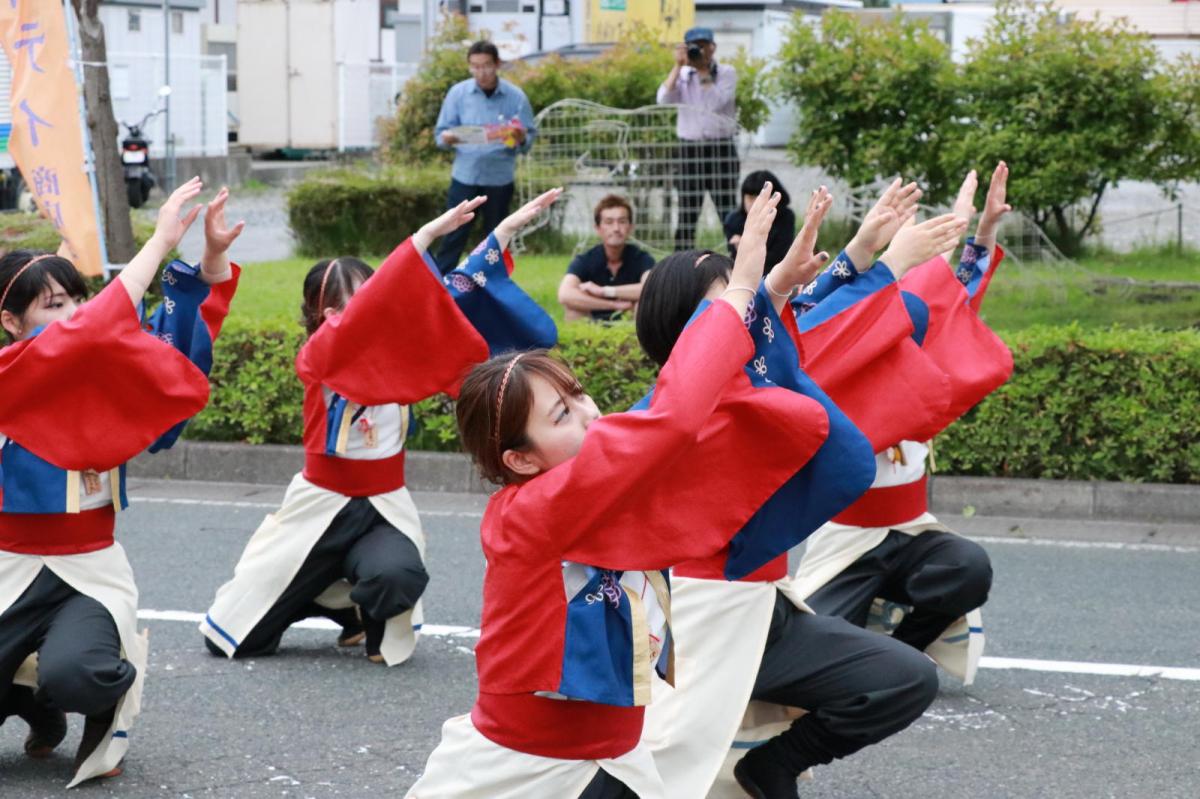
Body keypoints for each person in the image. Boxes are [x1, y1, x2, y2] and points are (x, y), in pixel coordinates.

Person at [405, 184, 834, 798]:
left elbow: (686, 409)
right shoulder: (535, 510)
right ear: (519, 459)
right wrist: (738, 290)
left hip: (612, 755)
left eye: (578, 394)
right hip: (525, 766)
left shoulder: (597, 477)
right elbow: (674, 416)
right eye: (561, 416)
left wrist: (772, 291)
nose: (588, 414)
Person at [635, 187, 970, 799]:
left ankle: (772, 765)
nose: (745, 321)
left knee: (904, 676)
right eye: (726, 307)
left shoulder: (739, 383)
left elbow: (792, 337)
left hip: (767, 605)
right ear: (684, 330)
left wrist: (854, 256)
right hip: (702, 616)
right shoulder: (674, 416)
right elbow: (811, 341)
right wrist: (887, 265)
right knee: (649, 769)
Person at [201, 191, 559, 668]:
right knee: (235, 639)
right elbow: (365, 321)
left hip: (385, 505)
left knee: (397, 574)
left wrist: (503, 233)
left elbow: (458, 291)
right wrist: (425, 237)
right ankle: (317, 593)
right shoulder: (317, 358)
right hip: (318, 507)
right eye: (359, 304)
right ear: (326, 317)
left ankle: (359, 609)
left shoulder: (398, 345)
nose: (376, 310)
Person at [0, 179, 243, 787]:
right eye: (52, 305)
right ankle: (36, 708)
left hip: (90, 569)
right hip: (7, 565)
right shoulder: (10, 374)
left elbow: (171, 353)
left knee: (78, 671)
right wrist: (159, 240)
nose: (73, 316)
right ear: (9, 321)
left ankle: (94, 700)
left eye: (76, 300)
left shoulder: (104, 372)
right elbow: (85, 337)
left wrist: (207, 262)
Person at [794, 163, 1015, 687]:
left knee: (968, 568)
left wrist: (980, 232)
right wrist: (870, 253)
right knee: (813, 645)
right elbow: (818, 319)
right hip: (847, 538)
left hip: (913, 530)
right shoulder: (846, 350)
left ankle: (904, 652)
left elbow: (954, 307)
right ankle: (867, 643)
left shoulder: (920, 345)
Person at [433, 40, 537, 273]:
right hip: (465, 176)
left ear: (497, 64)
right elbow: (439, 135)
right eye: (475, 66)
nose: (481, 72)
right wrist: (449, 138)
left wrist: (519, 136)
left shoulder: (515, 96)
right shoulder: (458, 94)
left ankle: (491, 285)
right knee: (452, 236)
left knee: (497, 238)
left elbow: (529, 138)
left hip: (499, 178)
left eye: (486, 66)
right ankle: (441, 285)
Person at [657, 26, 740, 251]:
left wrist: (704, 72)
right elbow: (663, 100)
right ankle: (681, 268)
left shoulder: (726, 72)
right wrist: (677, 66)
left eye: (703, 46)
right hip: (689, 149)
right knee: (687, 211)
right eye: (694, 46)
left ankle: (736, 261)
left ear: (713, 48)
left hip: (720, 148)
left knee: (727, 210)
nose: (699, 51)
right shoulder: (683, 75)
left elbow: (713, 104)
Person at [557, 194, 655, 321]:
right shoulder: (585, 259)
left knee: (643, 306)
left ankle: (638, 341)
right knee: (572, 310)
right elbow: (565, 294)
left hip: (630, 321)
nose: (616, 228)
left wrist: (604, 291)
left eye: (622, 221)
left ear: (630, 227)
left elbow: (652, 289)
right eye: (609, 222)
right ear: (598, 228)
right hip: (593, 321)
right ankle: (579, 341)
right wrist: (613, 305)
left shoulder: (642, 258)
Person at [724, 170, 797, 273]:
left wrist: (746, 248)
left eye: (759, 198)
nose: (755, 204)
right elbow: (734, 259)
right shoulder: (733, 221)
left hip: (775, 274)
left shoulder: (785, 217)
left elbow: (779, 255)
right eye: (750, 198)